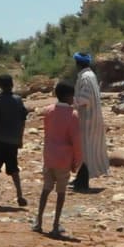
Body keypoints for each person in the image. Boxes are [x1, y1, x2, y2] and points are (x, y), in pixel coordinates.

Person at [35, 81, 83, 237]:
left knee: (46, 189)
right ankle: (55, 224)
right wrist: (77, 161)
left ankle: (38, 222)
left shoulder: (49, 111)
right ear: (69, 96)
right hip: (64, 158)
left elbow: (47, 132)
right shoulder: (73, 115)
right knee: (61, 192)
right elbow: (76, 141)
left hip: (49, 156)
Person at [0, 74, 29, 207]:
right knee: (13, 168)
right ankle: (20, 195)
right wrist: (20, 138)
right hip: (13, 140)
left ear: (0, 85)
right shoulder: (18, 100)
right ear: (12, 85)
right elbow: (23, 121)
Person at [71, 52, 109, 192]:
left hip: (88, 120)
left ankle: (82, 183)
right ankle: (79, 179)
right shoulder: (89, 75)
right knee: (85, 150)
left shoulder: (86, 78)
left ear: (78, 63)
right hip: (89, 119)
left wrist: (71, 101)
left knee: (86, 151)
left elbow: (84, 99)